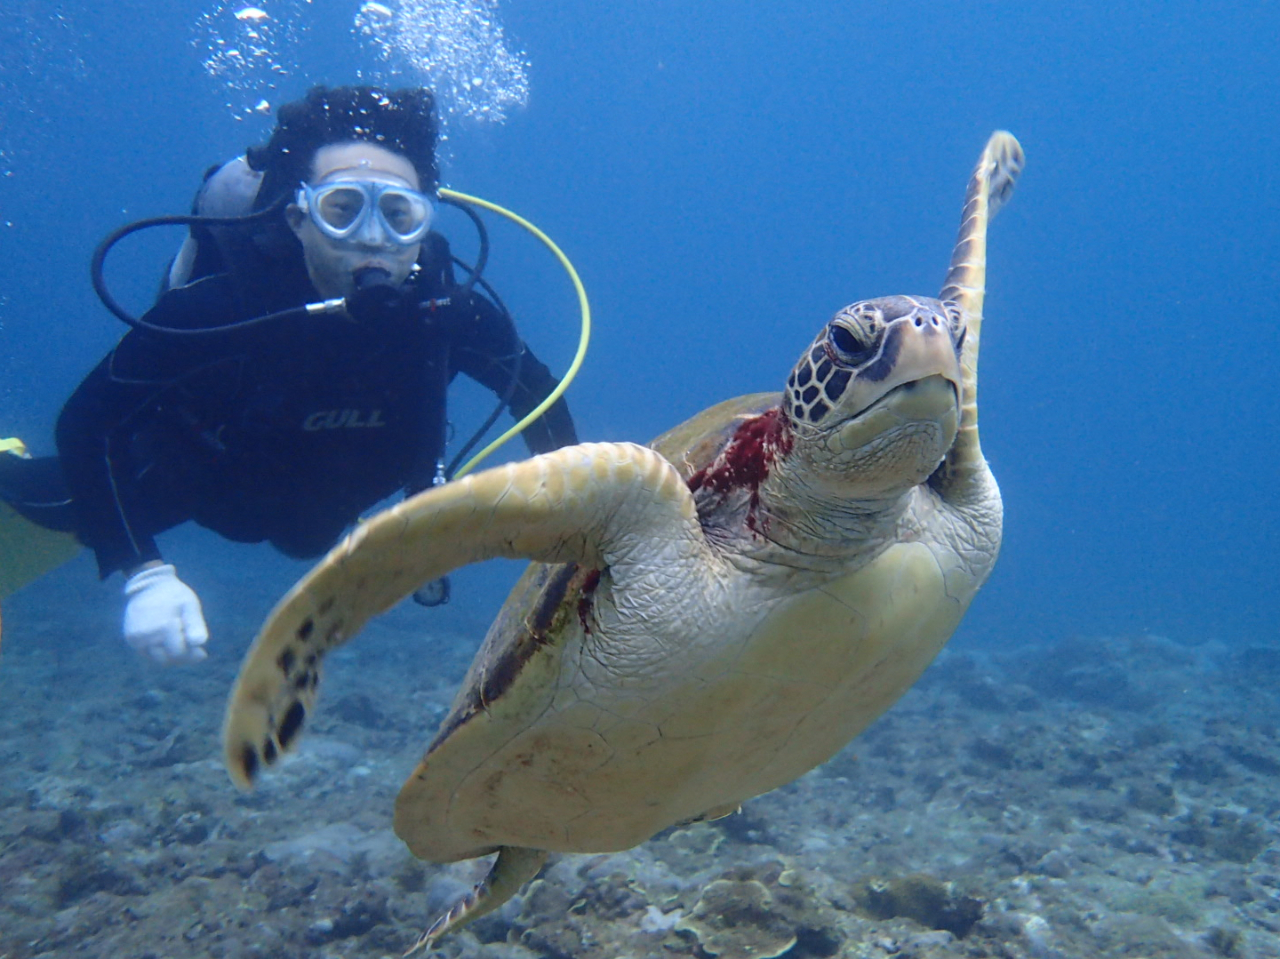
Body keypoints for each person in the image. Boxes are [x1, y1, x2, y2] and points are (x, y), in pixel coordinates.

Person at [0, 85, 577, 664]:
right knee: (51, 505)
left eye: (399, 214)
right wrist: (141, 571)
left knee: (302, 539)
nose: (373, 236)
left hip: (319, 508)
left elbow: (536, 395)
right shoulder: (221, 310)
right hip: (191, 478)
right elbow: (86, 423)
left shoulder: (452, 316)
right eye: (343, 208)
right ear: (299, 218)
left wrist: (579, 521)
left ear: (422, 228)